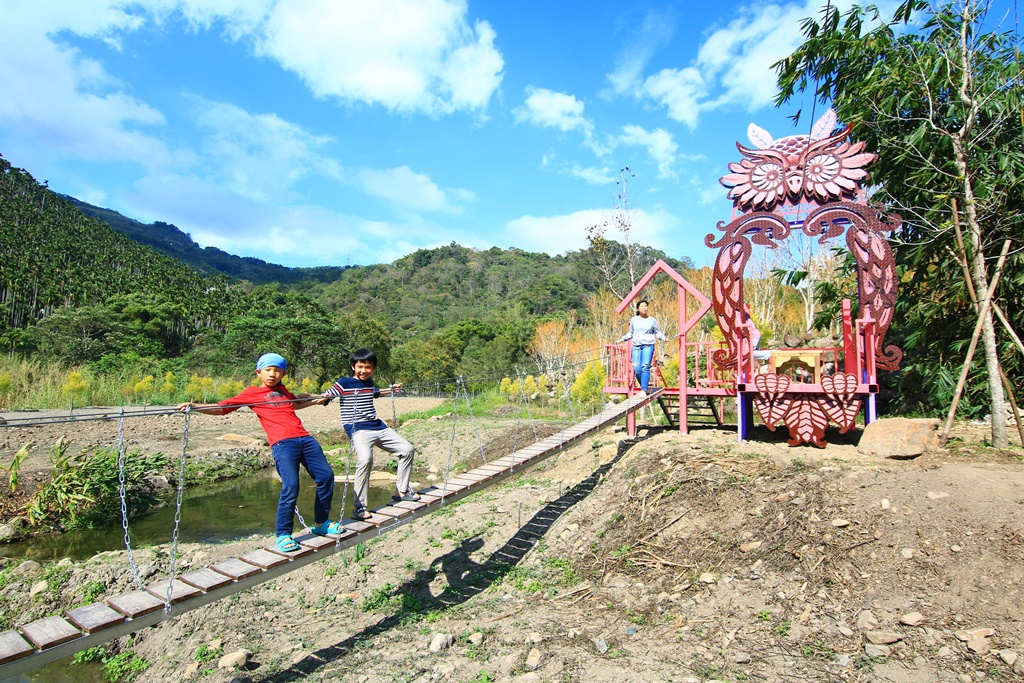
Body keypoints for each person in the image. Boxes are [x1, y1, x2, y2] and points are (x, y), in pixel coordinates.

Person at [176, 353, 340, 553]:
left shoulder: (283, 391)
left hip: (305, 439)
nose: (272, 374)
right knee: (291, 485)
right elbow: (223, 408)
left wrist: (316, 399)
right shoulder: (251, 393)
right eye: (268, 370)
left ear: (283, 374)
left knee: (326, 476)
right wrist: (195, 407)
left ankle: (321, 523)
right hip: (282, 443)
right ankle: (283, 534)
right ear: (259, 372)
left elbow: (294, 403)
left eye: (277, 370)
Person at [323, 348, 417, 522]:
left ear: (373, 369)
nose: (363, 371)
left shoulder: (369, 383)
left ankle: (401, 491)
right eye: (360, 367)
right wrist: (316, 398)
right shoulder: (344, 383)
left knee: (407, 449)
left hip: (378, 426)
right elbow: (328, 395)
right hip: (358, 428)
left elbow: (375, 392)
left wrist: (391, 390)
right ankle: (359, 507)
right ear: (353, 367)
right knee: (365, 460)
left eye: (368, 367)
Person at [618, 300, 667, 393]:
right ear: (638, 308)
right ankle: (644, 385)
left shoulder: (652, 320)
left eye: (646, 306)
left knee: (645, 366)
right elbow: (630, 333)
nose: (644, 308)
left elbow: (657, 332)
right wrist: (622, 339)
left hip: (648, 346)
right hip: (636, 346)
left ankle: (643, 389)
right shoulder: (633, 320)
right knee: (636, 368)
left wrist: (663, 338)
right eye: (642, 306)